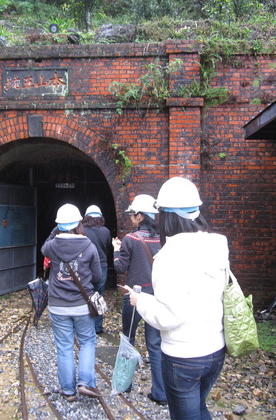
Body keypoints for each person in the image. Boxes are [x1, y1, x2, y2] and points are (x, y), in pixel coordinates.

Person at [125, 177, 227, 419]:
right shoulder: (217, 245)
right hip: (216, 349)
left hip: (184, 356)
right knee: (200, 408)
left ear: (166, 216)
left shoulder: (169, 255)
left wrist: (141, 302)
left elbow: (169, 316)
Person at [41, 203, 103, 402]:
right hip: (82, 305)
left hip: (58, 306)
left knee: (64, 347)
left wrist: (55, 230)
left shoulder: (52, 246)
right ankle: (85, 382)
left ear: (59, 225)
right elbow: (97, 276)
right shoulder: (89, 245)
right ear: (79, 223)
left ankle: (68, 391)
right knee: (87, 342)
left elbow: (44, 247)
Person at [112, 194, 167, 406]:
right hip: (156, 296)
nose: (131, 219)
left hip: (134, 296)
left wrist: (116, 251)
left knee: (128, 338)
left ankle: (124, 384)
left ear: (140, 216)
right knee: (155, 344)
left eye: (133, 215)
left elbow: (119, 268)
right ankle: (160, 393)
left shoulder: (130, 239)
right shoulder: (162, 239)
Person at [82, 204, 111, 334]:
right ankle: (98, 327)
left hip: (86, 266)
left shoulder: (82, 230)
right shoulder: (106, 231)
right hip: (102, 266)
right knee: (99, 296)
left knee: (85, 295)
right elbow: (108, 246)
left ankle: (85, 326)